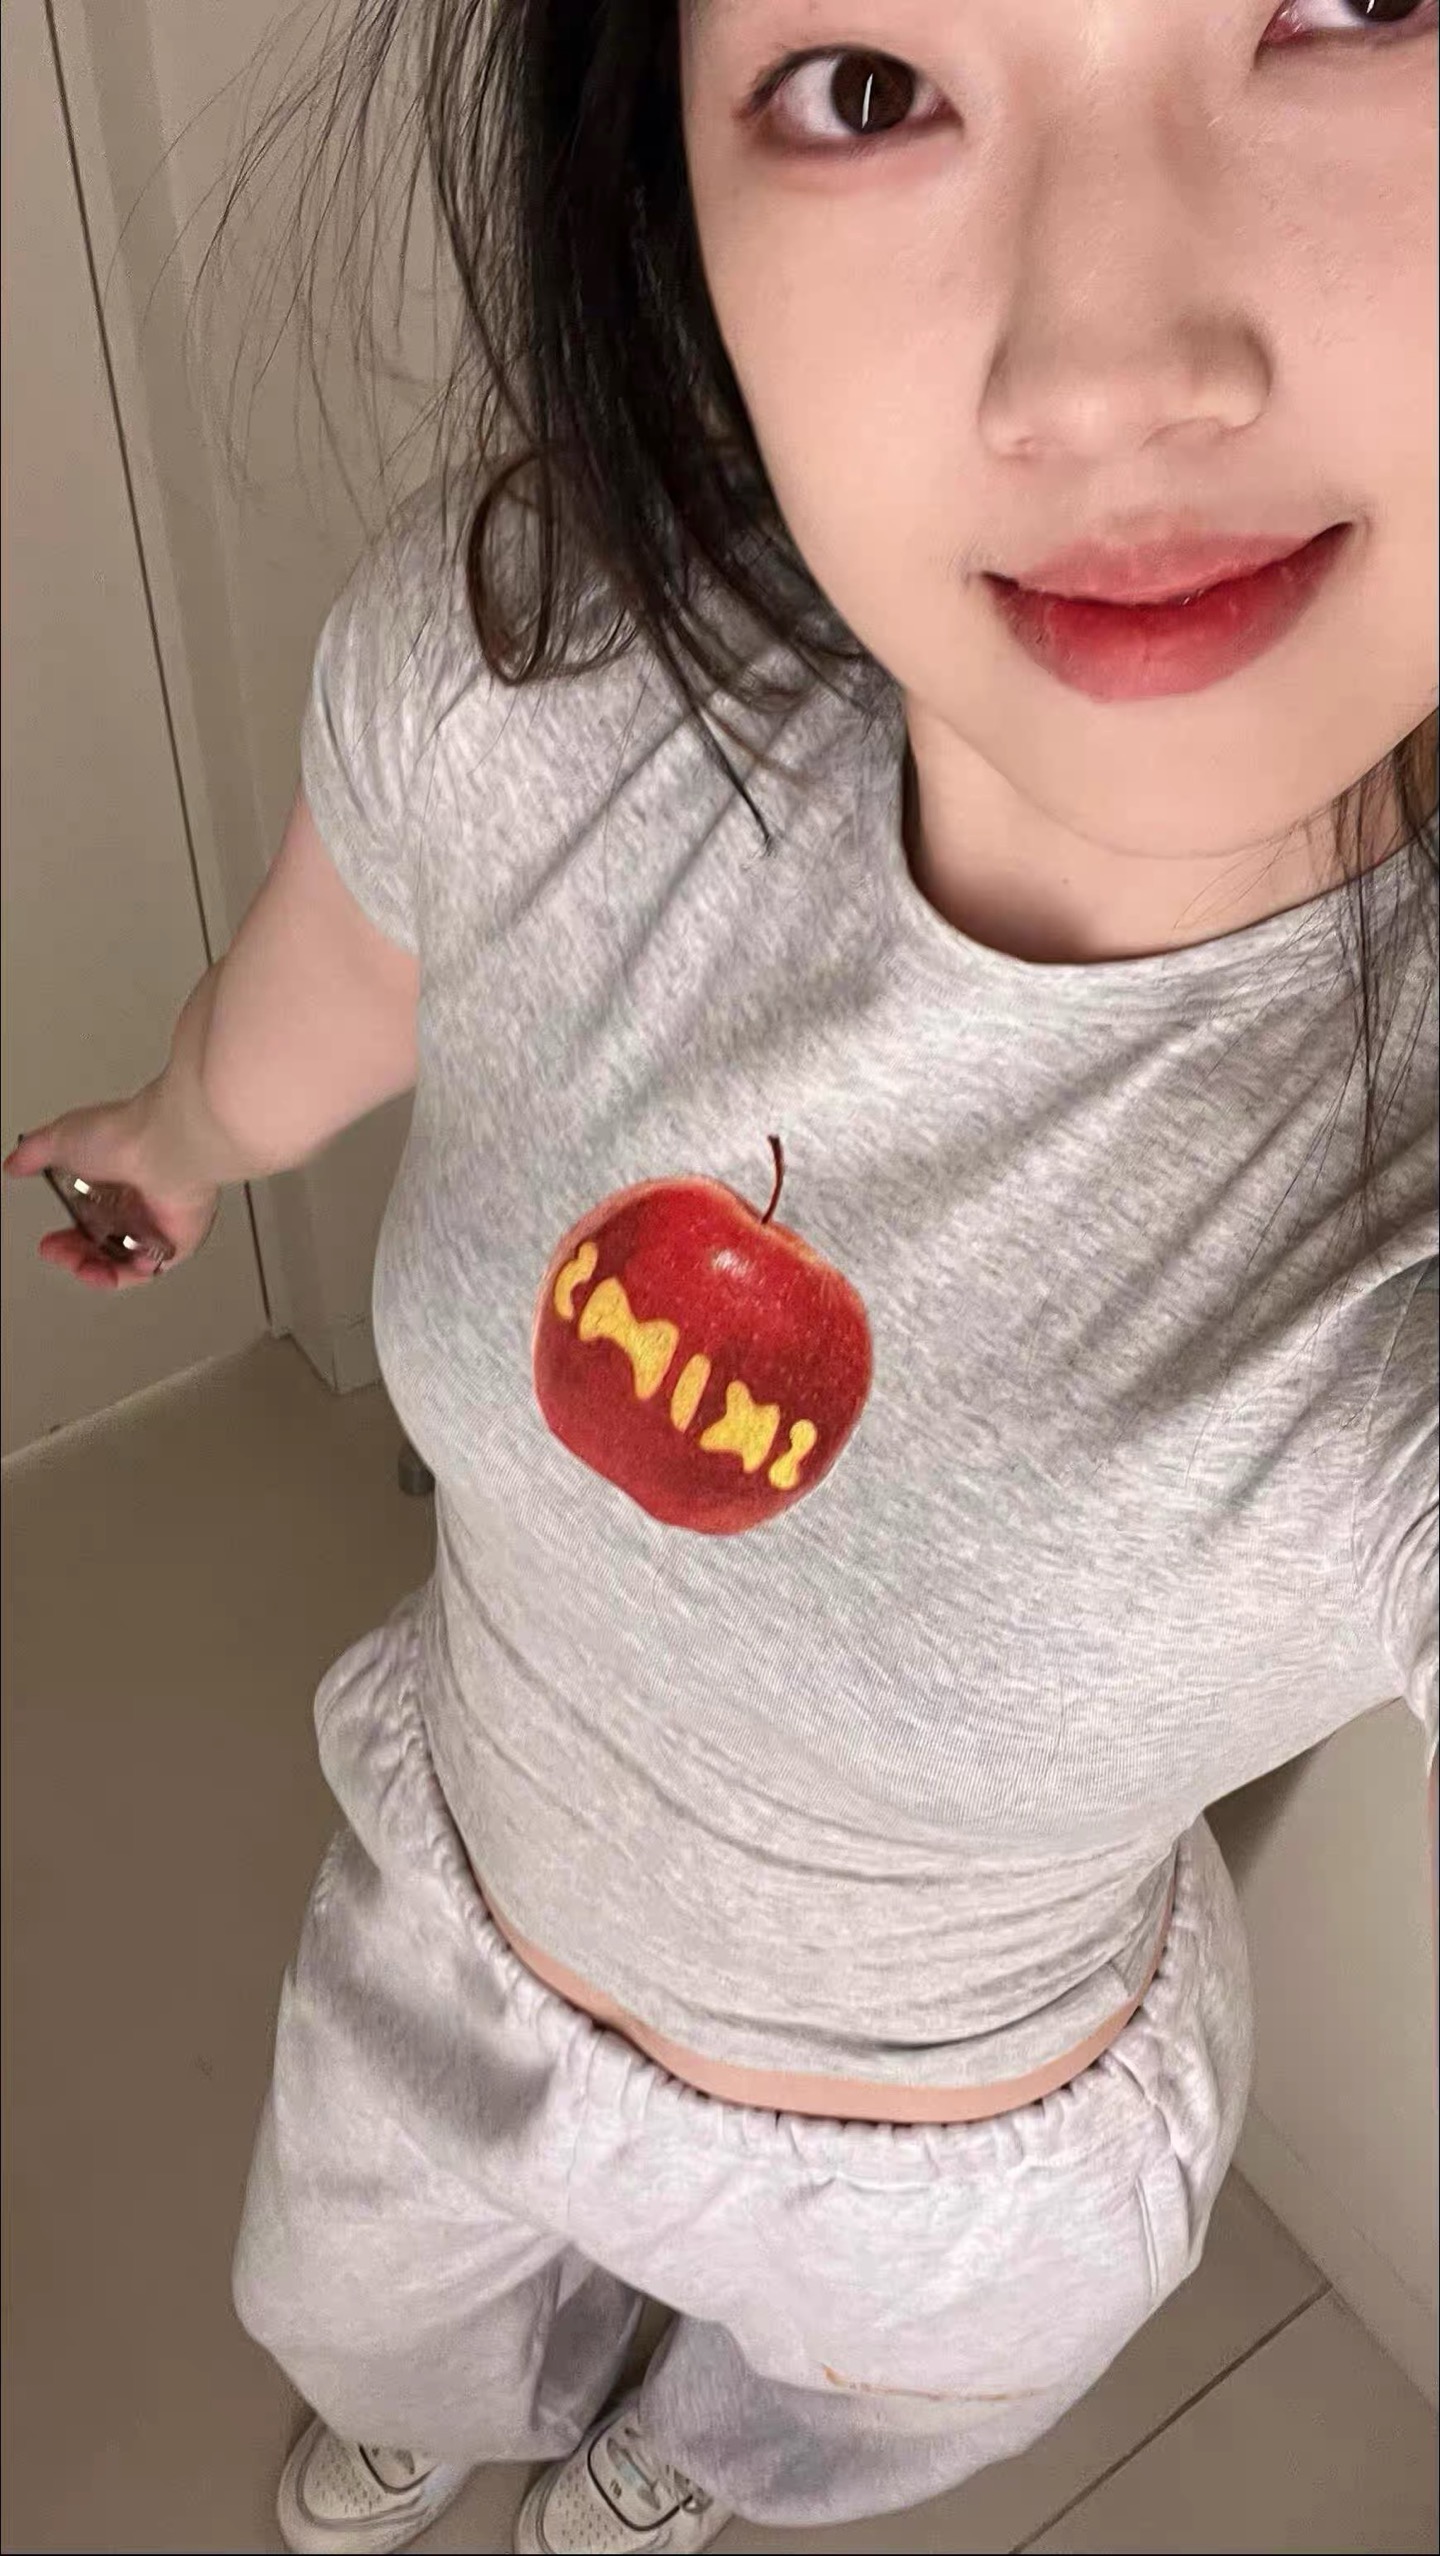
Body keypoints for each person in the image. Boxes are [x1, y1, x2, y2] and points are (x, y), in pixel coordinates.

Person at [7, 2, 1437, 2550]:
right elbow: (315, 1009)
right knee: (363, 2301)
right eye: (867, 83)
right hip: (457, 1939)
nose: (1103, 375)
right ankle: (437, 2398)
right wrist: (175, 1142)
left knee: (819, 2426)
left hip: (953, 2180)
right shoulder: (548, 662)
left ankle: (686, 2463)